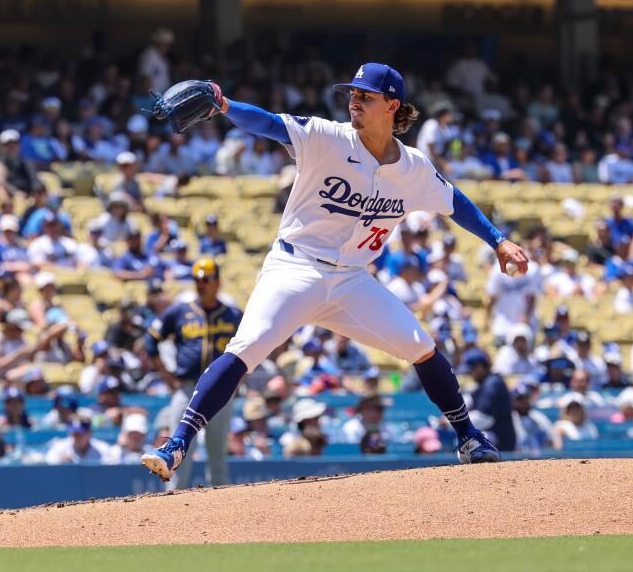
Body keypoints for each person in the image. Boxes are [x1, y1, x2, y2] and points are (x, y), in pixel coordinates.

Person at [141, 63, 528, 482]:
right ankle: (177, 442)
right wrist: (224, 104)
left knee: (421, 345)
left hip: (353, 280)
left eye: (366, 97)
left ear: (392, 106)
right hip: (296, 265)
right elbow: (269, 124)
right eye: (353, 94)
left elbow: (457, 203)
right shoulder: (327, 137)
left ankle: (468, 437)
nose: (354, 102)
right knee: (247, 346)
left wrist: (499, 241)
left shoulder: (413, 168)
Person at [143, 258, 242, 488]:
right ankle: (173, 505)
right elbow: (151, 338)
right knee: (179, 453)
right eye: (197, 279)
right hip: (187, 387)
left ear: (218, 282)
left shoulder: (233, 314)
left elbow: (252, 346)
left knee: (218, 456)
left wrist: (240, 377)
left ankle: (221, 511)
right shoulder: (180, 311)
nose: (201, 284)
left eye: (206, 279)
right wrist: (165, 373)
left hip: (221, 390)